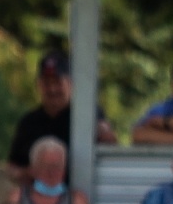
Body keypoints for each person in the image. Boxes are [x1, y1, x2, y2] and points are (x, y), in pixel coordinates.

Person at [6, 52, 117, 183]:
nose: (52, 89)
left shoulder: (88, 115)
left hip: (81, 193)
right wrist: (24, 173)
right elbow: (12, 166)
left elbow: (111, 150)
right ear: (39, 85)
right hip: (39, 197)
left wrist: (105, 134)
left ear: (70, 83)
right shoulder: (28, 122)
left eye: (58, 82)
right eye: (47, 83)